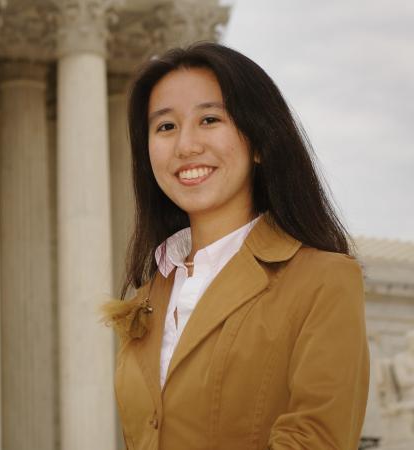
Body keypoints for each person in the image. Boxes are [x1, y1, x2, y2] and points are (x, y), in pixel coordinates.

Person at [102, 42, 369, 450]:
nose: (186, 145)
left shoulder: (324, 280)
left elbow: (316, 440)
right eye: (165, 127)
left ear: (260, 142)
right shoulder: (151, 294)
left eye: (209, 119)